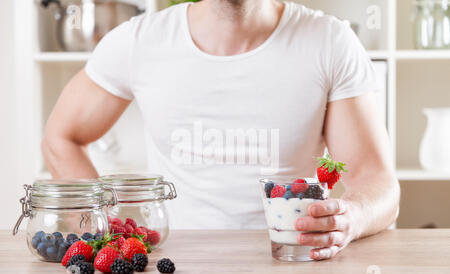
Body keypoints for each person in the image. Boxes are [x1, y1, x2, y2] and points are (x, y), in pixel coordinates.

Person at [42, 0, 400, 260]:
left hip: (293, 267)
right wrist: (105, 228)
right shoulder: (138, 41)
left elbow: (378, 182)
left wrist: (350, 217)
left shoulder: (329, 41)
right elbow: (62, 138)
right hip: (171, 272)